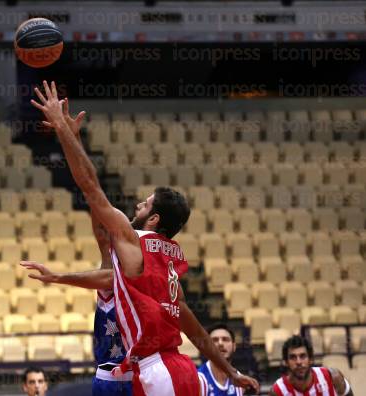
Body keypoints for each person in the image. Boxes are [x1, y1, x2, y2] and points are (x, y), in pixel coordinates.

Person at [27, 80, 259, 396]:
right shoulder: (170, 261)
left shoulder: (135, 244)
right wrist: (231, 371)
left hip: (157, 370)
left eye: (146, 203)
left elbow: (91, 189)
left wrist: (62, 129)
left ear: (154, 218)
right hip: (179, 367)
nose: (138, 204)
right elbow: (191, 325)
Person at [40, 100, 132, 395]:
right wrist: (72, 137)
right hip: (110, 374)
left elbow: (92, 188)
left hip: (140, 372)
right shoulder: (115, 257)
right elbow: (91, 189)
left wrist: (57, 277)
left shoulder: (137, 260)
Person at [270, 335, 353, 396]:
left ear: (311, 359)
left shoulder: (332, 377)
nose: (298, 362)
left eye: (303, 356)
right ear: (286, 362)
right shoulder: (278, 391)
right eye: (293, 357)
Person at [197, 324, 245, 396]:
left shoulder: (240, 382)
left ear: (234, 346)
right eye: (215, 340)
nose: (220, 343)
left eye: (225, 339)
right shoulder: (198, 380)